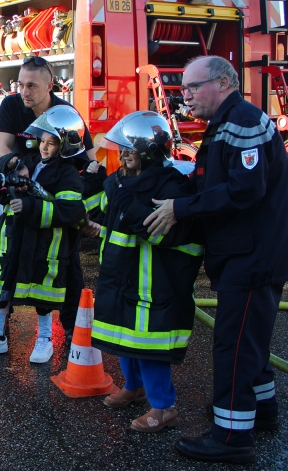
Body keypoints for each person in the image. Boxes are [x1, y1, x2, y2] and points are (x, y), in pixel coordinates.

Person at [145, 56, 288, 464]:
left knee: (236, 345)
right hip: (249, 253)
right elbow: (214, 180)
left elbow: (244, 191)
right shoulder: (228, 122)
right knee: (251, 339)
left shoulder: (240, 121)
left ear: (224, 82)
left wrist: (181, 210)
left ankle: (230, 436)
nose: (185, 95)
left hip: (252, 256)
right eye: (184, 88)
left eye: (193, 87)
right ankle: (261, 411)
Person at [90, 111, 203, 433]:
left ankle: (163, 406)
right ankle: (134, 387)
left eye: (129, 150)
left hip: (156, 284)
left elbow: (156, 230)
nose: (123, 157)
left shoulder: (172, 185)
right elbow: (94, 207)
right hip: (122, 277)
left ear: (149, 152)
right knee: (123, 338)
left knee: (150, 347)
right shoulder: (119, 182)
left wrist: (123, 199)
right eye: (121, 150)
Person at [0, 56, 98, 343]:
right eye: (20, 84)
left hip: (60, 199)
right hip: (25, 195)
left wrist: (82, 211)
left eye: (31, 86)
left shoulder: (66, 113)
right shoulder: (12, 105)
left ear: (50, 86)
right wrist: (16, 164)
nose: (24, 92)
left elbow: (91, 160)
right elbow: (3, 147)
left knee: (67, 262)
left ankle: (73, 332)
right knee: (10, 258)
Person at [0, 106, 86, 362]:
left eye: (51, 143)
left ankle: (44, 340)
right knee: (4, 287)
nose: (44, 147)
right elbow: (4, 188)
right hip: (15, 240)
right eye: (42, 141)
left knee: (42, 295)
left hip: (44, 246)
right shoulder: (30, 161)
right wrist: (5, 170)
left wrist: (31, 205)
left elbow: (70, 210)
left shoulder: (67, 174)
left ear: (65, 146)